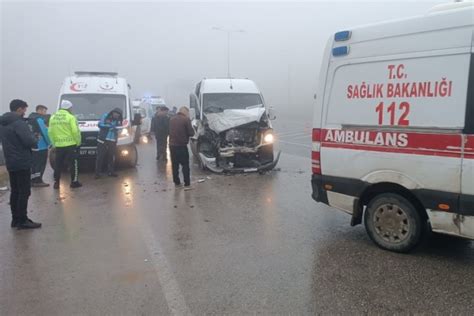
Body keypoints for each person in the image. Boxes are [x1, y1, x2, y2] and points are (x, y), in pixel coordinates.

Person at [0, 99, 42, 229]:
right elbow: (29, 141)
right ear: (19, 109)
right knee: (24, 191)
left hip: (11, 161)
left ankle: (15, 219)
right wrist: (35, 138)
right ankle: (23, 220)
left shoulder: (3, 123)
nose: (25, 112)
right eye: (24, 109)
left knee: (15, 191)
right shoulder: (19, 123)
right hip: (22, 161)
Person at [48, 100, 82, 189]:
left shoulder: (53, 117)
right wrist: (78, 142)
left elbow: (50, 132)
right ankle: (74, 182)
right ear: (69, 108)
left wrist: (54, 143)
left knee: (58, 164)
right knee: (73, 163)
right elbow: (75, 131)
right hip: (71, 144)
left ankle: (56, 182)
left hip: (59, 145)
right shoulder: (70, 117)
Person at [169, 106, 195, 189]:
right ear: (185, 112)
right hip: (182, 146)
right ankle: (187, 183)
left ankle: (176, 182)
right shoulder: (186, 119)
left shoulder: (171, 119)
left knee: (175, 164)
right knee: (185, 164)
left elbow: (168, 131)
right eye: (187, 113)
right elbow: (191, 133)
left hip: (172, 145)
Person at [95, 108, 123, 178]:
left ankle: (111, 172)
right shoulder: (105, 116)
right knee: (100, 157)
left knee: (111, 157)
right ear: (113, 112)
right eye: (116, 113)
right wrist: (109, 126)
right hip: (102, 140)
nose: (117, 115)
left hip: (112, 140)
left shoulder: (119, 119)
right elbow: (100, 124)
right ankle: (97, 173)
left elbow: (120, 127)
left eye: (118, 114)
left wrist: (117, 129)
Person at [28, 105, 51, 187]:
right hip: (41, 145)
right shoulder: (39, 119)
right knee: (41, 163)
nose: (45, 113)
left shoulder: (29, 119)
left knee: (33, 164)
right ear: (40, 110)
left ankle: (32, 180)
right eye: (44, 111)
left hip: (32, 145)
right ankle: (38, 180)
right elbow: (45, 132)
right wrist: (50, 143)